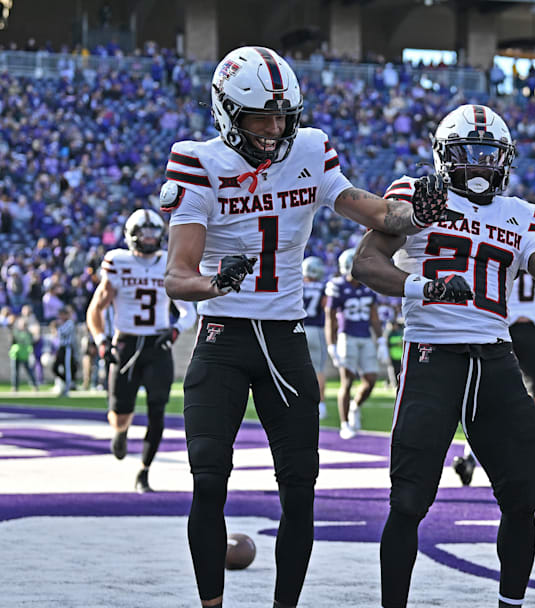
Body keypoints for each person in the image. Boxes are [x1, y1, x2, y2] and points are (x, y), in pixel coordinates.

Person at [162, 46, 456, 608]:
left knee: (300, 489)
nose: (274, 129)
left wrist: (420, 212)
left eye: (282, 116)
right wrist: (217, 282)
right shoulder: (198, 161)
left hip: (286, 338)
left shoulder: (311, 148)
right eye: (260, 117)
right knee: (208, 480)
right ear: (227, 112)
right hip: (224, 338)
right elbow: (178, 276)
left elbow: (377, 214)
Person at [352, 103, 535, 608]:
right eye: (472, 154)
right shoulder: (416, 196)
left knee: (523, 497)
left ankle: (511, 602)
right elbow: (366, 263)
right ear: (447, 156)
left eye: (492, 154)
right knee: (407, 500)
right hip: (432, 356)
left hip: (495, 358)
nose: (484, 165)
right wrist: (423, 286)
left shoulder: (519, 213)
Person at [86, 209, 197, 493]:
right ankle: (121, 431)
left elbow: (188, 309)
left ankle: (144, 471)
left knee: (157, 410)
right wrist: (101, 340)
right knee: (120, 412)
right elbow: (96, 308)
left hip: (157, 344)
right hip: (125, 343)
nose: (149, 239)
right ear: (132, 236)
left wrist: (174, 330)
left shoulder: (167, 262)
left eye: (153, 234)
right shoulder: (117, 261)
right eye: (144, 234)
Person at [453, 273, 535, 485]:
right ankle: (470, 457)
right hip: (499, 330)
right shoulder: (501, 246)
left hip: (532, 332)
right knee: (488, 399)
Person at [325, 248, 385, 439]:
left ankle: (355, 406)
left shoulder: (368, 287)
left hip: (365, 337)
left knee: (371, 380)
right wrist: (331, 344)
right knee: (347, 380)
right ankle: (344, 423)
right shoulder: (338, 286)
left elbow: (374, 316)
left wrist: (381, 339)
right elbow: (330, 318)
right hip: (346, 336)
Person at [300, 256, 330, 419]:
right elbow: (326, 307)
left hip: (299, 328)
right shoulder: (323, 287)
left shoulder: (299, 286)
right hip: (316, 329)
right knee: (318, 369)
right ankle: (321, 404)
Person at [49, 305, 77, 396]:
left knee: (67, 368)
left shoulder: (70, 323)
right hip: (61, 347)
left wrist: (56, 326)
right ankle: (67, 382)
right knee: (55, 367)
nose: (60, 317)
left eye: (62, 315)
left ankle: (67, 388)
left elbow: (62, 332)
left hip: (67, 348)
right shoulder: (61, 323)